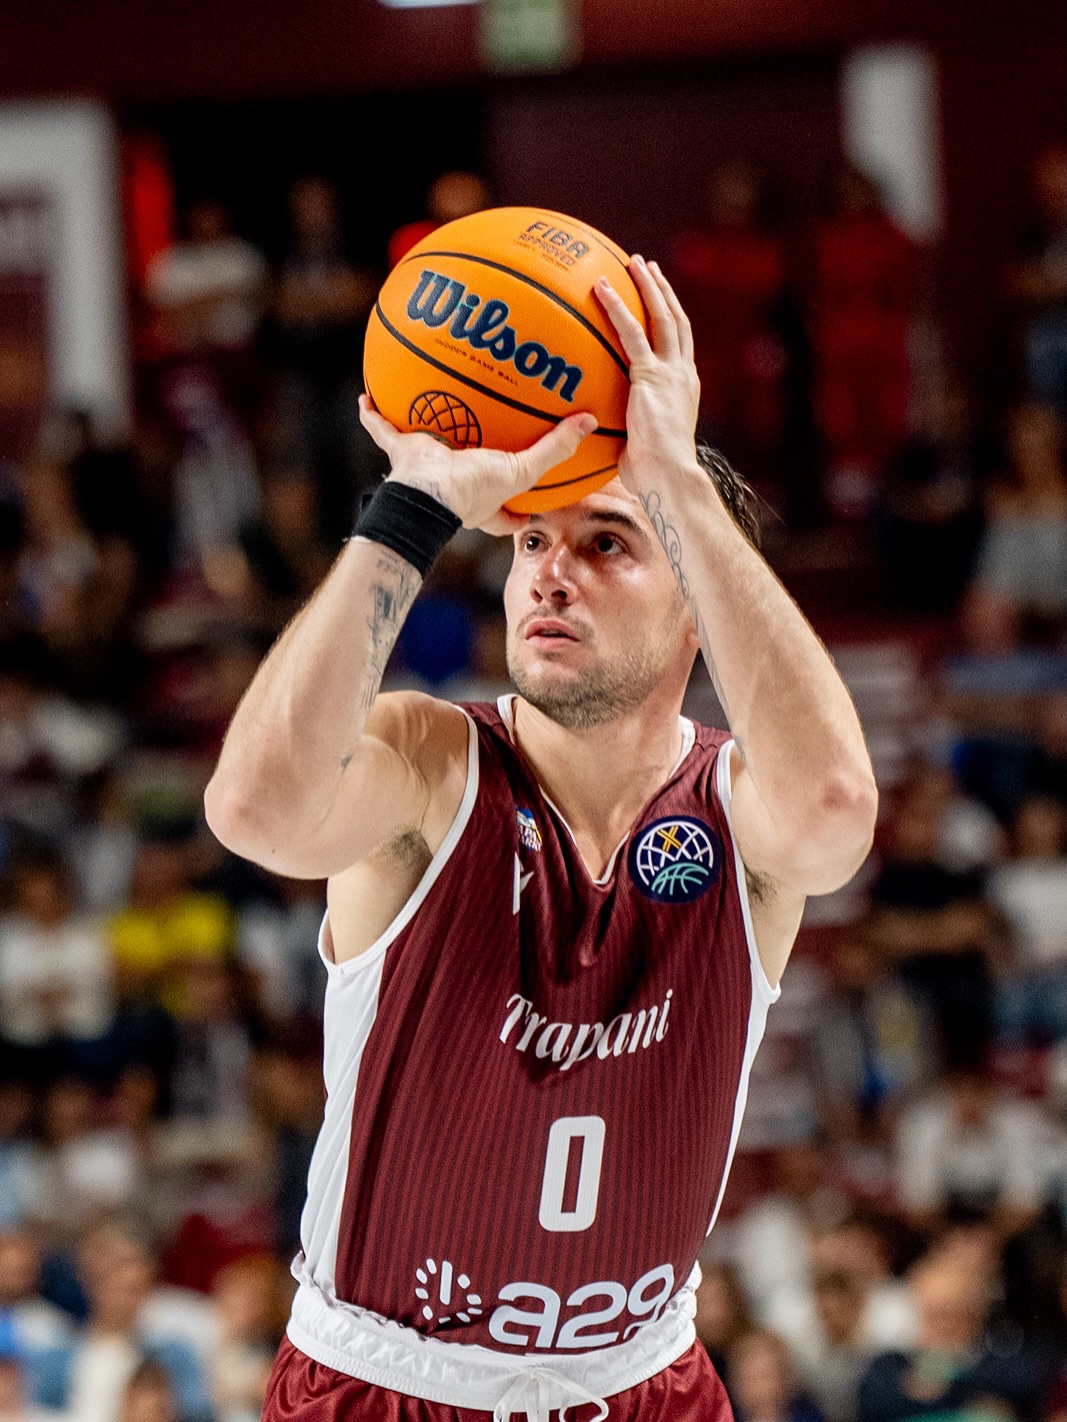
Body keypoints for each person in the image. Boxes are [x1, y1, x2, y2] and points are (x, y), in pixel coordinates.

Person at [205, 256, 878, 1419]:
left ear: (696, 604)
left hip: (639, 1383)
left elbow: (831, 814)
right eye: (528, 544)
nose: (549, 575)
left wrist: (674, 479)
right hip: (384, 1383)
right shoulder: (430, 763)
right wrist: (409, 511)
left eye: (605, 543)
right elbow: (253, 808)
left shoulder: (737, 809)